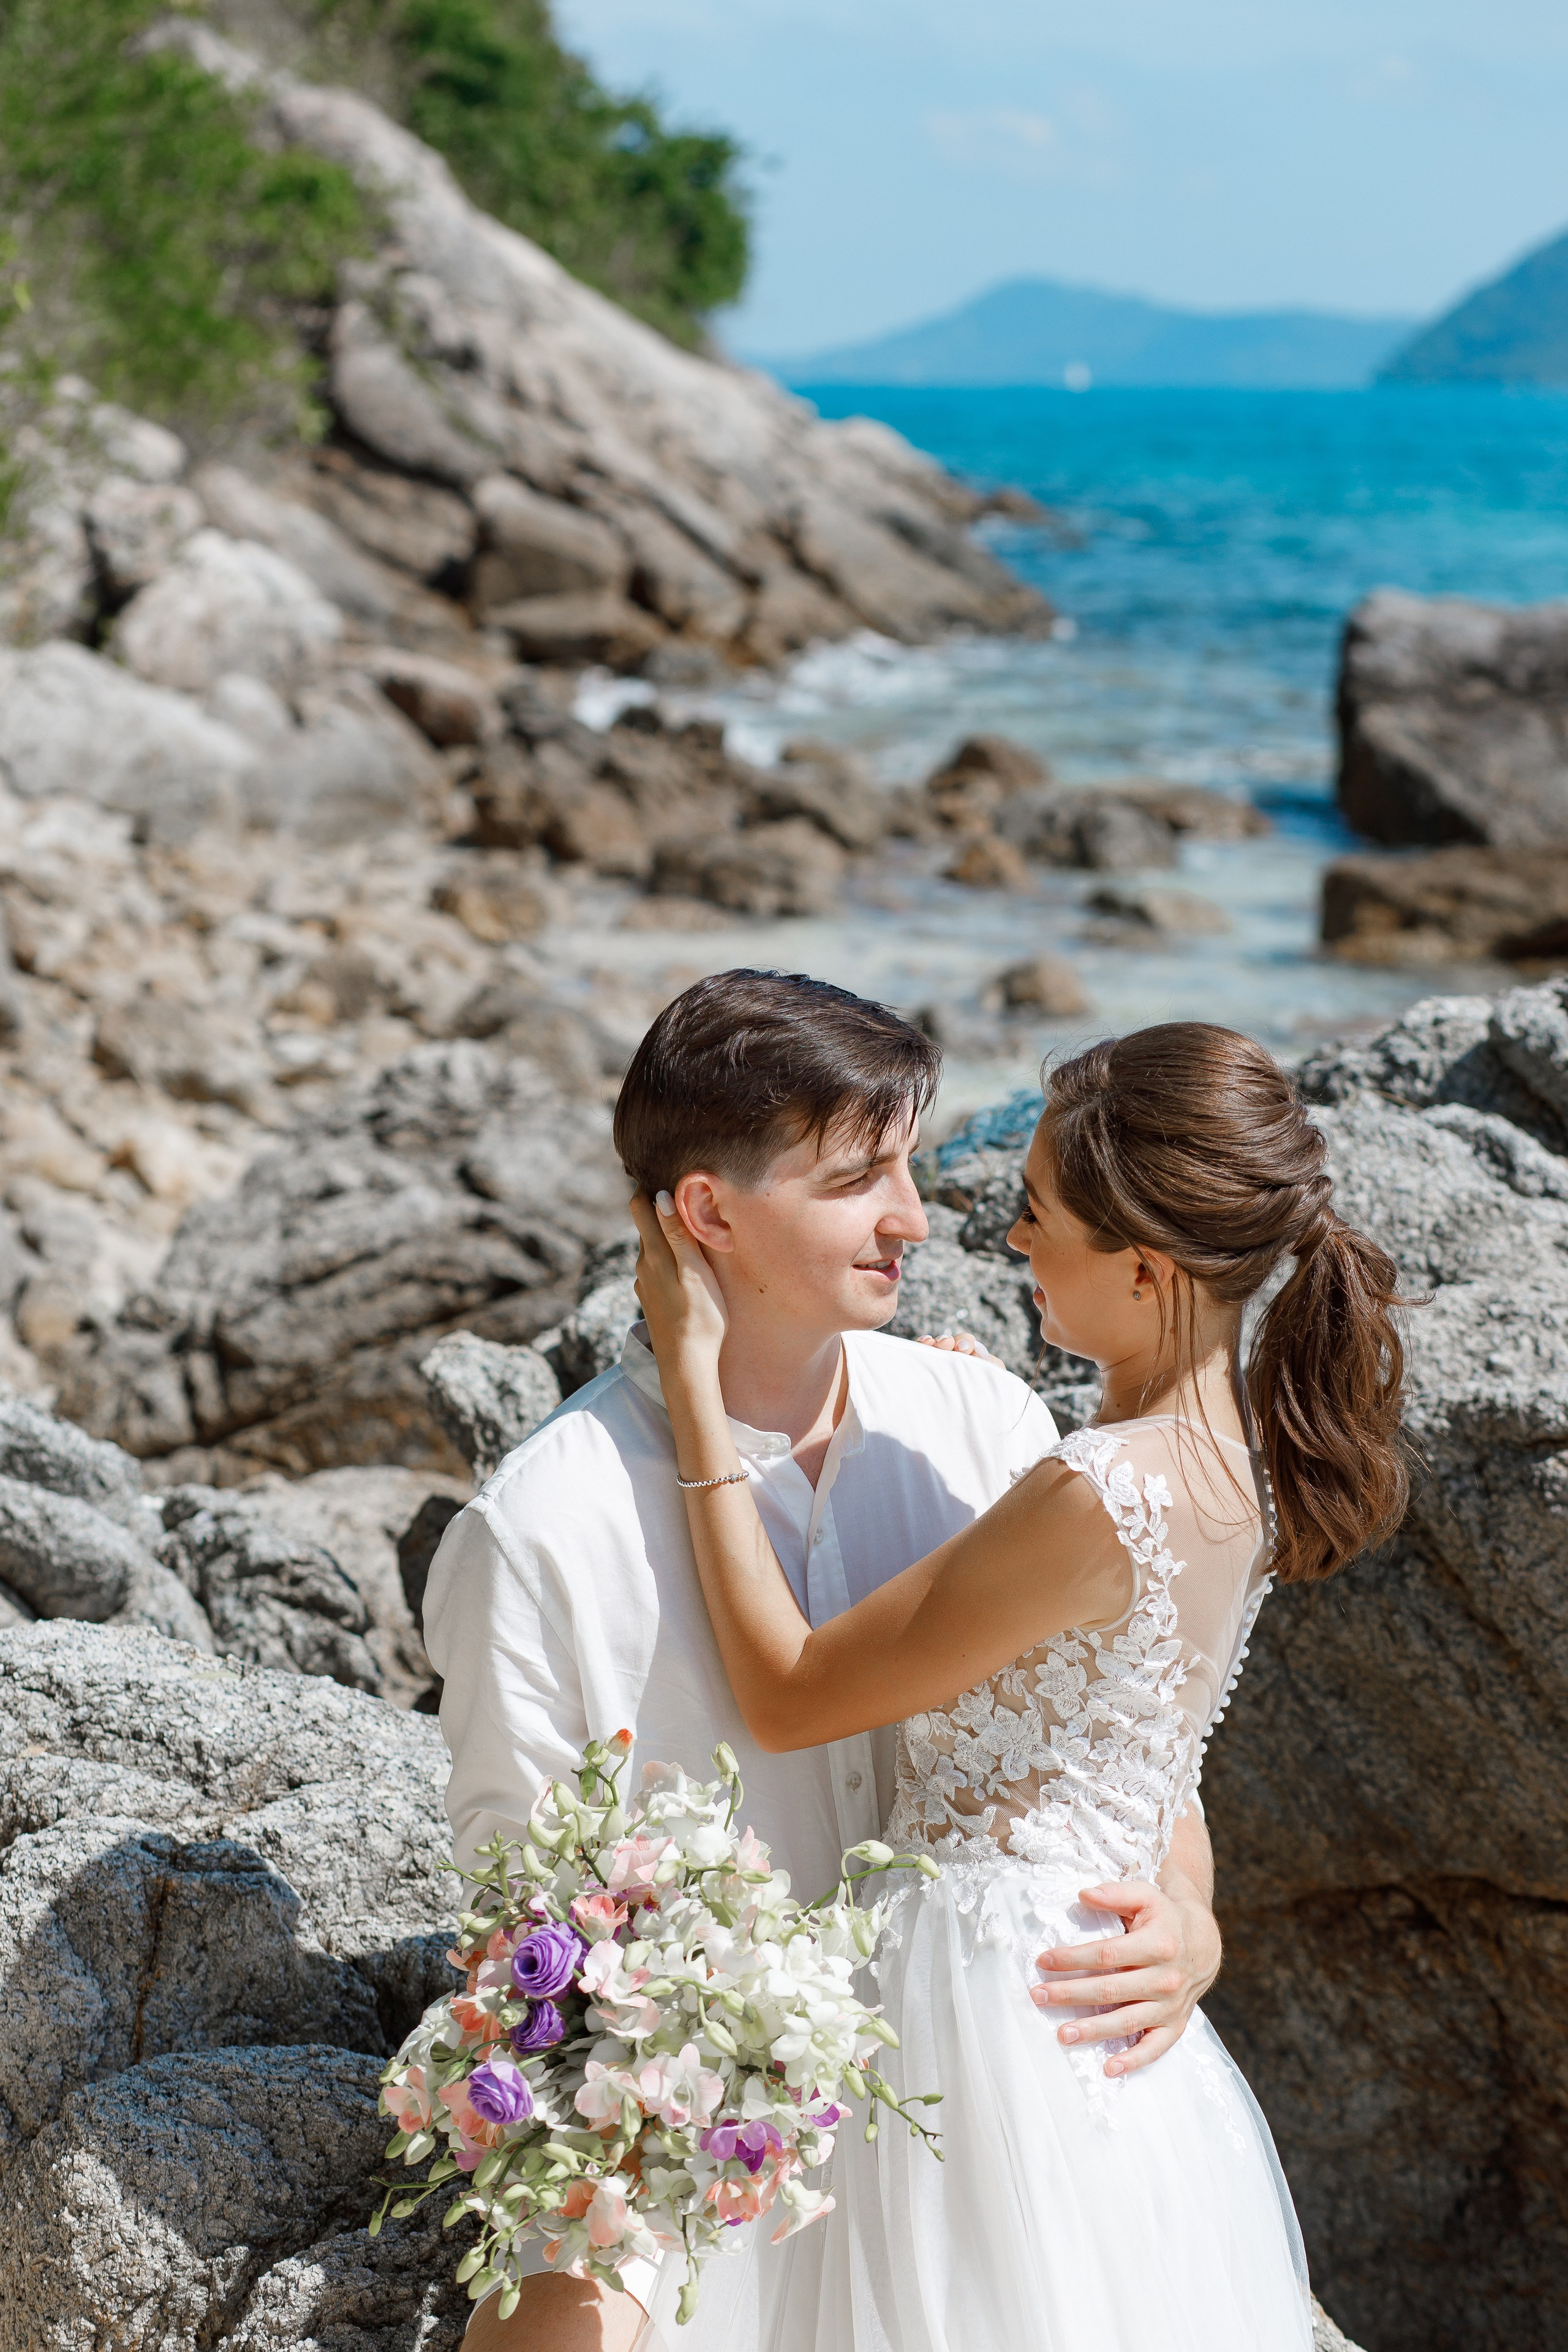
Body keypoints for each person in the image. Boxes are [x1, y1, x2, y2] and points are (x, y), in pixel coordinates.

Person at [423, 972, 1226, 2352]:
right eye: (862, 1179)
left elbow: (1124, 1726)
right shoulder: (540, 1534)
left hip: (999, 2140)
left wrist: (1192, 1918)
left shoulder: (981, 1422)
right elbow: (536, 1954)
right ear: (707, 1213)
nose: (914, 1217)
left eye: (906, 1167)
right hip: (720, 2204)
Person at [632, 1018, 1411, 2352]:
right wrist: (1197, 1916)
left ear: (1148, 1270)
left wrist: (692, 1394)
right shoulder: (1228, 1472)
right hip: (1094, 2003)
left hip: (994, 2000)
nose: (1005, 1242)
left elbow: (788, 1694)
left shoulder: (1096, 1490)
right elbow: (1135, 1741)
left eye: (1039, 1215)